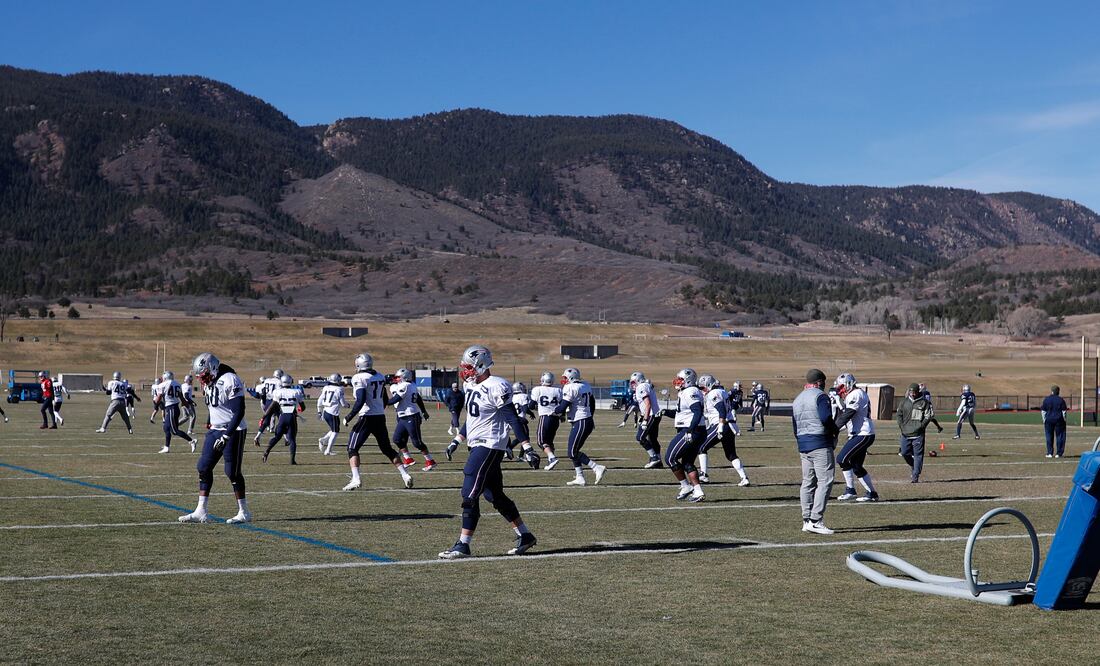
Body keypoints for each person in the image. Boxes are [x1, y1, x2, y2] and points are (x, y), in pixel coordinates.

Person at [438, 344, 537, 559]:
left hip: (490, 444)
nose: (465, 371)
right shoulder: (470, 386)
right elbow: (473, 419)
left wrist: (527, 447)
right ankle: (525, 535)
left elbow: (512, 418)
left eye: (468, 366)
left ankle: (463, 544)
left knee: (469, 492)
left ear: (480, 365)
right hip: (476, 443)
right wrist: (457, 439)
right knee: (494, 495)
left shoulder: (497, 385)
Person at [178, 352, 251, 524]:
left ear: (213, 368)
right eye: (200, 377)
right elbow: (214, 407)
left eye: (204, 375)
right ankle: (201, 511)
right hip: (215, 430)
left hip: (233, 429)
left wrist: (227, 435)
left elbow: (239, 411)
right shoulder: (210, 383)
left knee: (232, 472)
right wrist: (209, 424)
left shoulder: (230, 379)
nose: (202, 380)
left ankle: (244, 512)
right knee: (203, 467)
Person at [341, 353, 412, 490]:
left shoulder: (358, 377)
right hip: (380, 417)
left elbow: (360, 400)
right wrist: (379, 406)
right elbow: (385, 398)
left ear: (359, 364)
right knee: (386, 449)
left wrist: (349, 416)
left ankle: (356, 479)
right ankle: (405, 475)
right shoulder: (379, 376)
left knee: (352, 448)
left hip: (366, 417)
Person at [793, 369, 840, 534]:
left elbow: (795, 426)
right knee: (825, 481)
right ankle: (816, 520)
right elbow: (826, 418)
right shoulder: (820, 396)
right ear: (819, 382)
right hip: (819, 442)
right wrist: (835, 431)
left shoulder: (798, 399)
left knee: (807, 482)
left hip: (803, 443)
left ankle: (806, 520)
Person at [555, 367, 606, 487]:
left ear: (571, 377)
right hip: (585, 420)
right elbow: (592, 403)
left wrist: (554, 410)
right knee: (574, 450)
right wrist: (591, 416)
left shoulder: (570, 387)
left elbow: (561, 408)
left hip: (581, 421)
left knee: (572, 452)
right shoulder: (585, 385)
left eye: (565, 378)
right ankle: (580, 477)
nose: (564, 380)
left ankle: (596, 467)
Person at [662, 368, 707, 502]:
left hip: (691, 430)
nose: (678, 382)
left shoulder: (690, 391)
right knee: (687, 463)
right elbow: (680, 413)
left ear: (688, 380)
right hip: (694, 430)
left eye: (681, 379)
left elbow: (697, 412)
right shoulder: (685, 392)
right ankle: (698, 491)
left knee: (670, 458)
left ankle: (685, 486)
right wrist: (665, 412)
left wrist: (689, 430)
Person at [834, 372, 879, 503]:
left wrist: (833, 429)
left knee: (842, 459)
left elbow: (848, 414)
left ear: (848, 384)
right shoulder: (854, 395)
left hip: (863, 434)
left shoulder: (856, 394)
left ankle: (850, 490)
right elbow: (849, 420)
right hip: (860, 433)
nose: (840, 390)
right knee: (856, 466)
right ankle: (872, 493)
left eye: (841, 387)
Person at [697, 374, 749, 486]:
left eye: (703, 387)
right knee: (731, 455)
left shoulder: (713, 393)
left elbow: (721, 410)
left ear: (709, 385)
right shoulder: (722, 392)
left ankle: (704, 475)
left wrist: (720, 427)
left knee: (701, 447)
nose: (702, 390)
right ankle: (744, 477)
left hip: (720, 424)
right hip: (729, 426)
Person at [390, 368, 437, 471]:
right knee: (397, 439)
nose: (397, 379)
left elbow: (396, 399)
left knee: (417, 442)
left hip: (411, 416)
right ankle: (408, 459)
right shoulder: (412, 385)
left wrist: (383, 403)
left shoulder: (405, 385)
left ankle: (430, 461)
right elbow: (419, 398)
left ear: (405, 378)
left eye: (399, 377)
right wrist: (424, 411)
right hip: (403, 417)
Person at [261, 374, 305, 464]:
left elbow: (272, 407)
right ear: (290, 381)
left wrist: (264, 417)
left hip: (282, 416)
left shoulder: (277, 391)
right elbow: (303, 407)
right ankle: (292, 460)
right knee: (292, 439)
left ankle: (266, 451)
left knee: (277, 437)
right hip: (291, 417)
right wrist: (299, 410)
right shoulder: (297, 391)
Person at [896, 383, 933, 483]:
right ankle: (913, 466)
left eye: (914, 392)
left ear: (918, 392)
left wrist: (921, 426)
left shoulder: (924, 402)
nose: (912, 394)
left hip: (918, 434)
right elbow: (899, 414)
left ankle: (915, 475)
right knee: (904, 453)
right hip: (905, 433)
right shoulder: (904, 402)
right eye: (911, 392)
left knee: (918, 455)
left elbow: (928, 416)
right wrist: (901, 425)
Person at [156, 371, 198, 454]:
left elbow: (159, 398)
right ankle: (166, 447)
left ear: (165, 377)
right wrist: (187, 406)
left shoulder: (162, 385)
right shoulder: (177, 384)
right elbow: (181, 397)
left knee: (174, 431)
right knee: (166, 428)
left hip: (171, 408)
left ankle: (192, 441)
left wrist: (156, 404)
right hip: (175, 408)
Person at [528, 371, 562, 470]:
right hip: (556, 419)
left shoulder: (537, 389)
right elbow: (561, 405)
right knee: (549, 441)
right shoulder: (558, 390)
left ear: (543, 380)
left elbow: (531, 405)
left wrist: (537, 408)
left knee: (541, 441)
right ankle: (551, 460)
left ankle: (552, 458)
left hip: (545, 417)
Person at [630, 371, 663, 469]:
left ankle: (654, 458)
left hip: (651, 415)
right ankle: (659, 461)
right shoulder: (645, 386)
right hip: (655, 415)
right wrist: (642, 415)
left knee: (640, 437)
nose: (632, 385)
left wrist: (645, 419)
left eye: (633, 382)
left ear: (639, 380)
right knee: (652, 439)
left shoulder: (641, 387)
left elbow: (648, 404)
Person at [506, 381, 541, 468]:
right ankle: (516, 453)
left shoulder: (512, 397)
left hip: (512, 419)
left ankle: (513, 451)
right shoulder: (523, 396)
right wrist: (531, 413)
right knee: (525, 438)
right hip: (520, 420)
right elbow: (525, 408)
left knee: (520, 437)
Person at [316, 373, 348, 456]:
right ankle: (328, 450)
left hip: (325, 411)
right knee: (335, 431)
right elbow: (343, 403)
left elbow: (319, 400)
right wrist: (347, 405)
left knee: (334, 429)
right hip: (332, 413)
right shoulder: (339, 389)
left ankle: (323, 440)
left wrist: (319, 411)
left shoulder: (326, 387)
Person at [1041, 385, 1069, 459]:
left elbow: (1043, 411)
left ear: (1052, 391)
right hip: (1059, 420)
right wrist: (1064, 419)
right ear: (1058, 391)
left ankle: (1050, 453)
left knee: (1049, 436)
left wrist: (1044, 420)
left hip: (1049, 420)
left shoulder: (1046, 399)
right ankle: (1059, 453)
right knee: (1060, 436)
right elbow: (1064, 412)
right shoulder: (1061, 400)